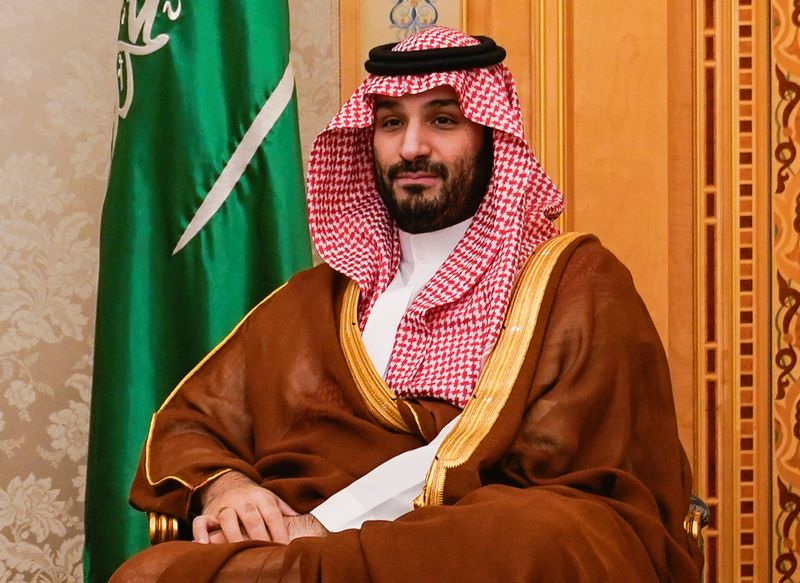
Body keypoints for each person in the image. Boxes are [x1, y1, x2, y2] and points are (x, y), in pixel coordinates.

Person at [111, 26, 703, 582]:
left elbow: (558, 462)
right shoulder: (317, 299)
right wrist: (228, 489)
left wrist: (320, 529)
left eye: (442, 120)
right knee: (147, 574)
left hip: (470, 536)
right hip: (322, 546)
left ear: (490, 137)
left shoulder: (575, 280)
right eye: (391, 123)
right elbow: (193, 422)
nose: (411, 147)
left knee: (530, 533)